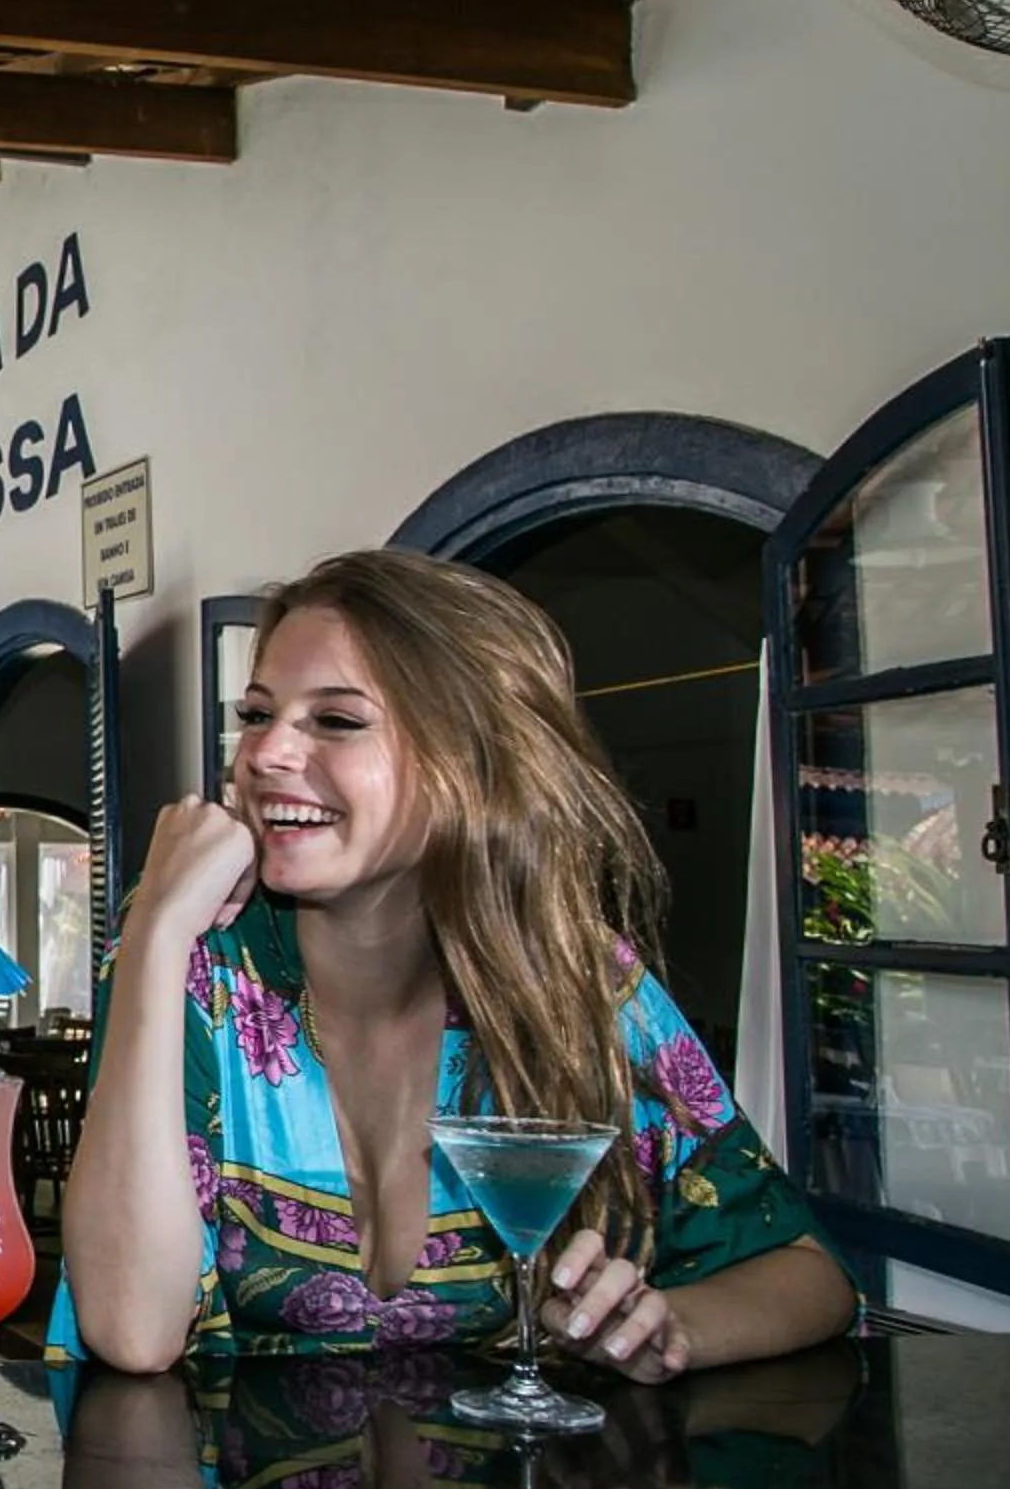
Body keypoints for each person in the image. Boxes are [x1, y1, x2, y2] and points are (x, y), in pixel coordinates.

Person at [55, 549, 855, 1377]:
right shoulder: (192, 969)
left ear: (466, 763)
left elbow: (811, 1277)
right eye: (258, 714)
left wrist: (672, 1325)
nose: (264, 754)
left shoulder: (579, 986)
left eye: (336, 721)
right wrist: (152, 926)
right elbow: (131, 1330)